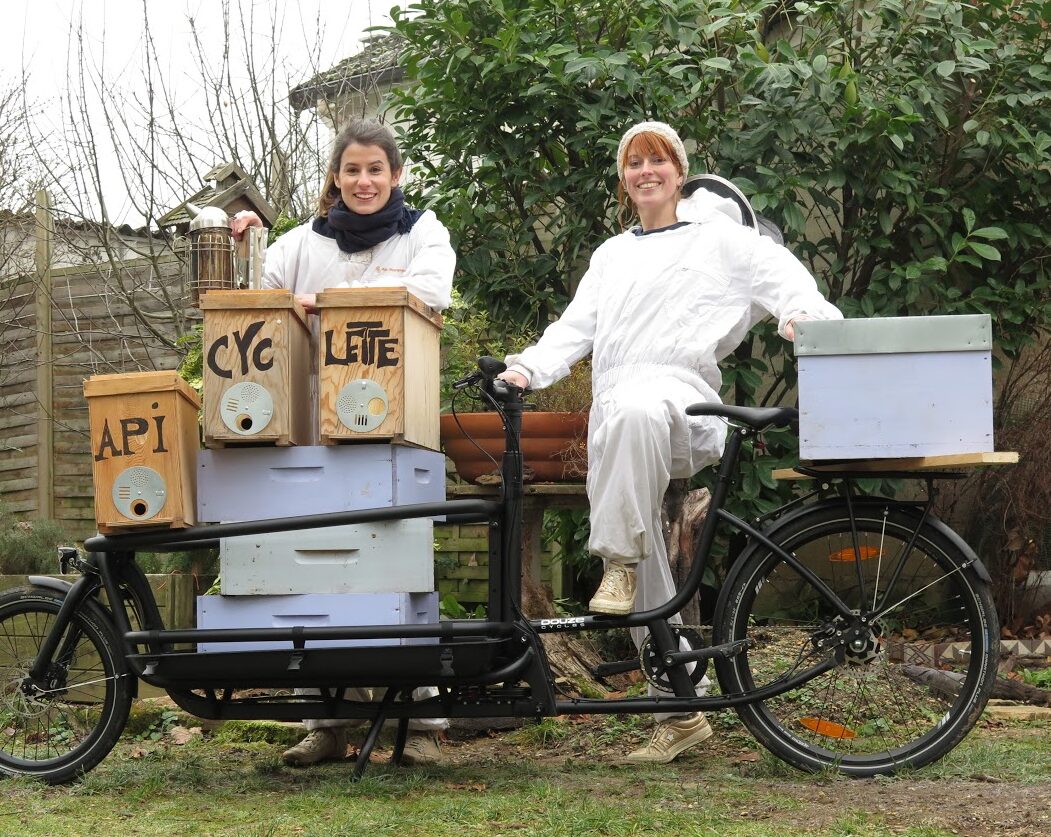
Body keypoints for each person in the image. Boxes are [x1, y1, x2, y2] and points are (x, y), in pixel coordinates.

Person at [499, 120, 842, 764]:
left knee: (634, 435)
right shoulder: (611, 255)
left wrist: (802, 315)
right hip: (618, 414)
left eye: (659, 159)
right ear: (624, 179)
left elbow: (783, 277)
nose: (646, 171)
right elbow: (573, 329)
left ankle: (616, 561)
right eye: (634, 162)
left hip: (681, 400)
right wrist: (525, 370)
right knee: (648, 545)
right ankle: (680, 704)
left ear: (680, 172)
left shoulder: (720, 240)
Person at [232, 117, 454, 768]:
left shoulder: (422, 231)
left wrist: (322, 301)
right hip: (312, 428)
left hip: (395, 429)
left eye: (375, 169)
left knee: (397, 571)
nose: (363, 181)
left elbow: (430, 290)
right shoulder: (303, 241)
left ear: (395, 174)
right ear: (335, 176)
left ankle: (420, 725)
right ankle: (326, 722)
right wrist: (247, 241)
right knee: (315, 573)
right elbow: (255, 300)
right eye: (352, 169)